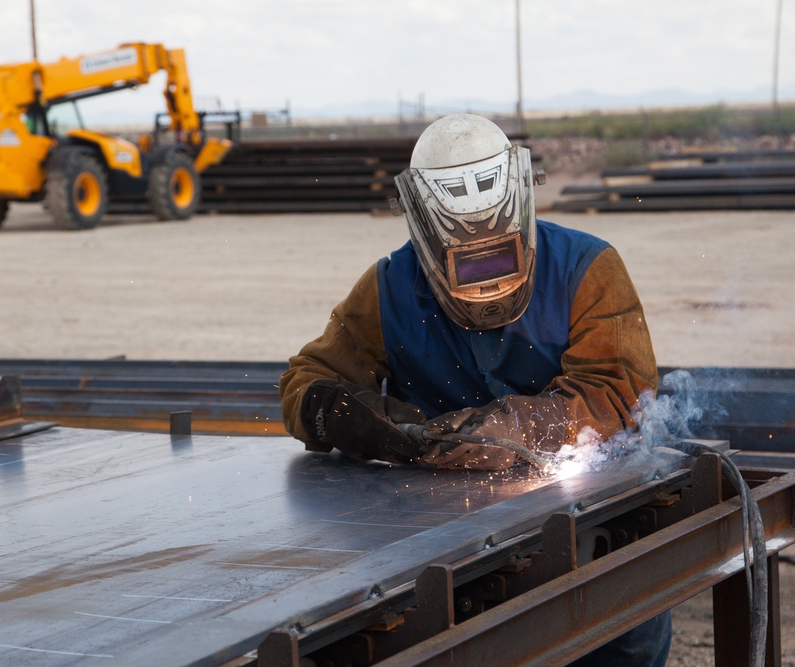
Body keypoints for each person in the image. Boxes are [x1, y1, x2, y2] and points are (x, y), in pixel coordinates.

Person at [278, 114, 671, 665]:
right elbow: (306, 383)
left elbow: (620, 393)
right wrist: (359, 418)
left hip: (590, 520)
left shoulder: (587, 270)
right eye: (466, 263)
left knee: (614, 642)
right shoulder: (391, 287)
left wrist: (516, 427)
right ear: (426, 235)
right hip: (454, 536)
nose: (486, 284)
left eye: (499, 254)